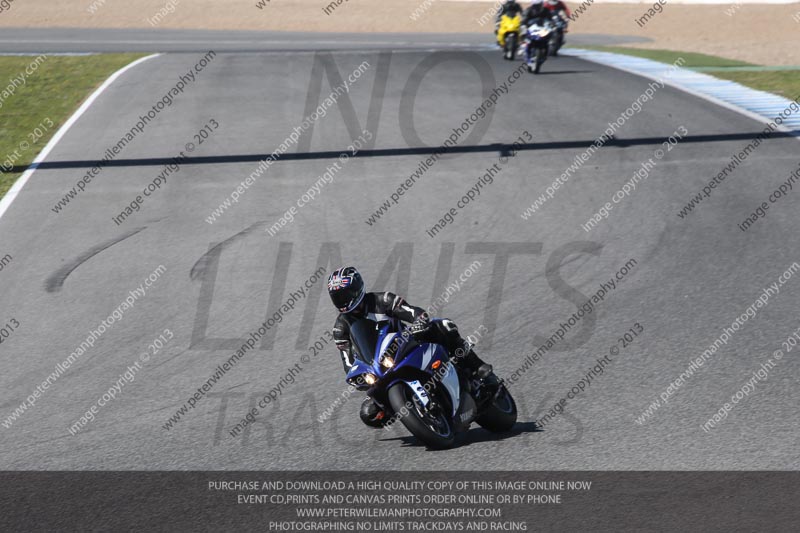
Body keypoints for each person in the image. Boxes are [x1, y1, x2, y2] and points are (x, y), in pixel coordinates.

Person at [327, 266, 495, 428]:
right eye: (337, 297)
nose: (342, 300)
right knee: (369, 413)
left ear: (357, 288)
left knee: (442, 326)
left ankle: (476, 365)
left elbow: (411, 312)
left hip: (407, 346)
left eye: (345, 294)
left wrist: (419, 321)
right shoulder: (340, 328)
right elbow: (348, 362)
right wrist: (358, 377)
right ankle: (413, 414)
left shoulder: (382, 300)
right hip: (378, 368)